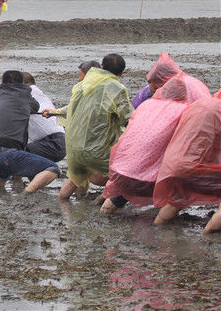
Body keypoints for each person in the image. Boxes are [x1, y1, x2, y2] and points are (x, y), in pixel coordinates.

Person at [101, 73, 211, 214]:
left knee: (124, 190)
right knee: (179, 190)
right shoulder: (184, 112)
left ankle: (103, 211)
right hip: (150, 181)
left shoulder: (147, 105)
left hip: (121, 173)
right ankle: (161, 222)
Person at [43, 53, 133, 200]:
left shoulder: (83, 85)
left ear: (102, 67)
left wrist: (55, 112)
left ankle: (64, 205)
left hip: (74, 149)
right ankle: (102, 203)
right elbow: (127, 118)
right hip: (97, 151)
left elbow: (72, 107)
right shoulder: (117, 88)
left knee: (75, 177)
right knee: (124, 173)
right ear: (122, 73)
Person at [0, 70, 59, 193]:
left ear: (2, 82)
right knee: (53, 168)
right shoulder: (24, 93)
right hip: (5, 155)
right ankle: (25, 195)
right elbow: (35, 107)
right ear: (22, 84)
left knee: (2, 173)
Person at [152, 89, 221, 234]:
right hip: (194, 168)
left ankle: (156, 229)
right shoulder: (218, 111)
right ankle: (207, 235)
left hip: (173, 164)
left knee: (177, 199)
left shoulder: (200, 104)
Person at [23, 72, 66, 163]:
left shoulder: (29, 92)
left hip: (53, 142)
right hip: (57, 141)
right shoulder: (37, 94)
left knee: (17, 156)